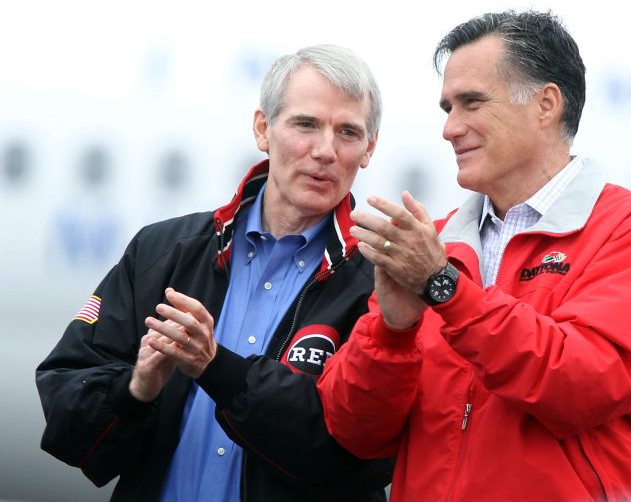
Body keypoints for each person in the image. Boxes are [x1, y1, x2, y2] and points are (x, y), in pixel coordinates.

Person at [317, 10, 631, 501]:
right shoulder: (438, 242)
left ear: (546, 105)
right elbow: (355, 431)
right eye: (447, 108)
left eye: (471, 103)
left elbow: (584, 384)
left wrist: (444, 290)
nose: (450, 128)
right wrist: (392, 332)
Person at [36, 44, 393, 501]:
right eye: (306, 124)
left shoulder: (381, 285)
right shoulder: (164, 251)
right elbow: (68, 415)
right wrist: (134, 391)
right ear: (263, 129)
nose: (325, 150)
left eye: (348, 132)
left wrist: (215, 368)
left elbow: (359, 456)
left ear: (368, 149)